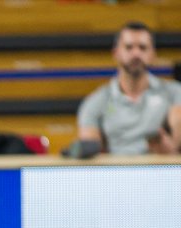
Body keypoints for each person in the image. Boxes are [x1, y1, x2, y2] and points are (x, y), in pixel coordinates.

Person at [77, 21, 181, 155]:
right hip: (116, 167)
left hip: (163, 167)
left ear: (153, 54)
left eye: (142, 48)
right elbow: (89, 152)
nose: (136, 54)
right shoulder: (95, 102)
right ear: (116, 53)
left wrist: (169, 150)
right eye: (129, 47)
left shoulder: (175, 92)